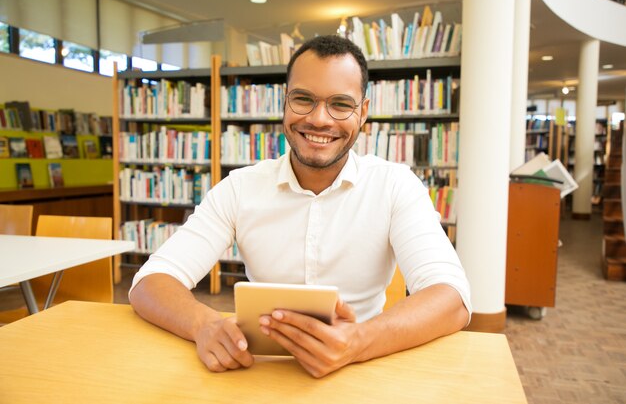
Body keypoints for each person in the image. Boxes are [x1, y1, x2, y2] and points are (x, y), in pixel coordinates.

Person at [129, 35, 471, 378]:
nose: (320, 119)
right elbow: (150, 283)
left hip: (365, 366)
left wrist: (357, 341)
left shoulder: (395, 185)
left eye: (340, 104)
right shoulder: (240, 188)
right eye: (303, 99)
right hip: (259, 371)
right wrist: (203, 324)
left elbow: (451, 297)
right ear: (284, 102)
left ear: (363, 112)